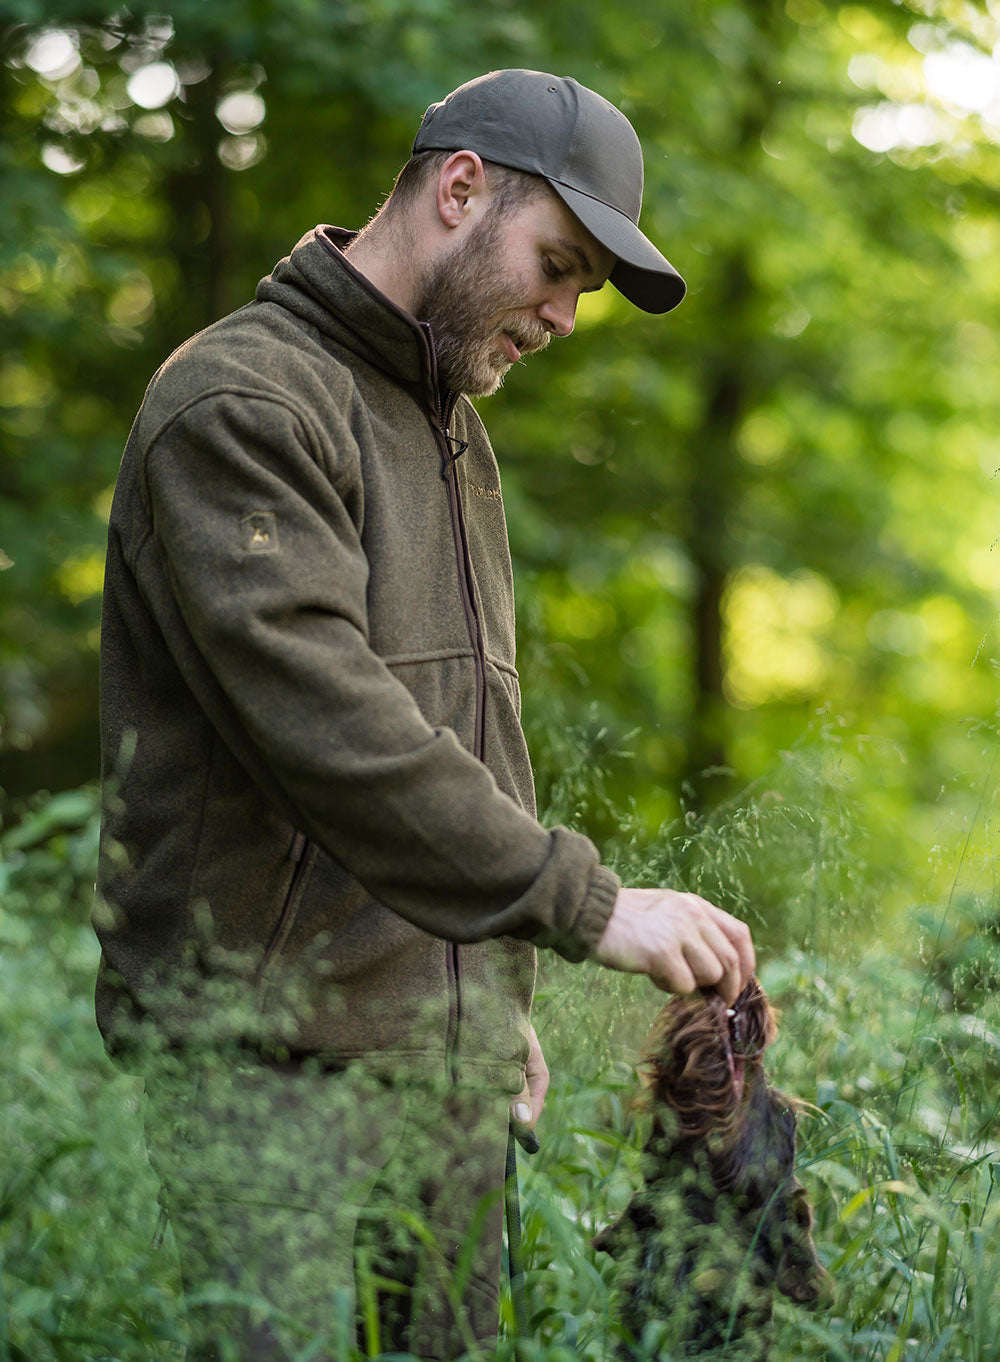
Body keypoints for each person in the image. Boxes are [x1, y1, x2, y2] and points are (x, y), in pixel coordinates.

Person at [93, 68, 755, 1360]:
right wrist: (588, 903)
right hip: (261, 1065)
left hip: (436, 1074)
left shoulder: (456, 434)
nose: (565, 316)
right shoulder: (243, 403)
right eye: (558, 265)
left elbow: (469, 743)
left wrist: (481, 991)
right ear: (460, 189)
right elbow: (334, 732)